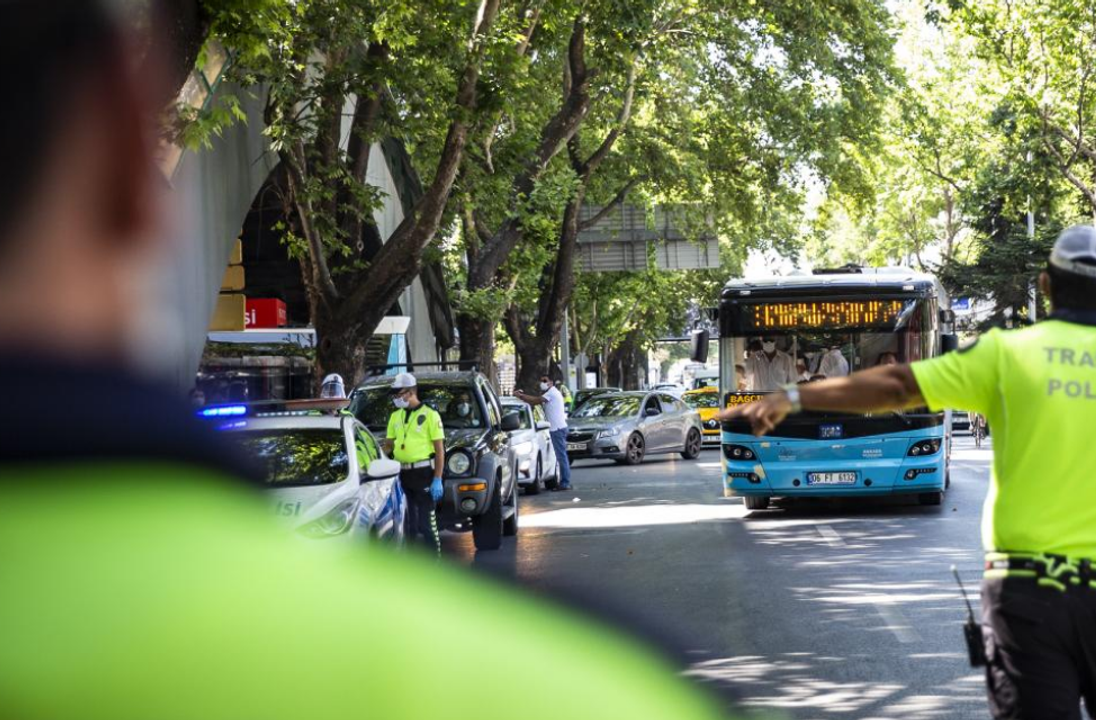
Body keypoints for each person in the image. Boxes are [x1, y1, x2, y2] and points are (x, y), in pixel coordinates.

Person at [0, 4, 732, 717]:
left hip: (416, 478)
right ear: (130, 165)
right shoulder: (574, 684)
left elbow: (438, 443)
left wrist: (435, 463)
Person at [722, 225, 1096, 720]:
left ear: (1046, 284)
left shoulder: (1006, 354)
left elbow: (897, 385)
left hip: (1026, 596)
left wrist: (795, 395)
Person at [384, 372, 446, 556]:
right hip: (402, 474)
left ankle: (434, 560)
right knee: (408, 523)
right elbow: (389, 446)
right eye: (394, 394)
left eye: (399, 393)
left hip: (424, 474)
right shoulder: (395, 416)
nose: (396, 397)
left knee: (427, 523)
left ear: (411, 392)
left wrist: (438, 478)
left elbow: (440, 450)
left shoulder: (430, 415)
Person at [515, 375, 571, 491]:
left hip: (557, 429)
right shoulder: (550, 393)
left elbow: (536, 400)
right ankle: (564, 482)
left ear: (551, 382)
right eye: (541, 381)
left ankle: (565, 483)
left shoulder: (551, 393)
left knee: (561, 457)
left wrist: (521, 396)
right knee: (561, 456)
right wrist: (522, 397)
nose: (542, 383)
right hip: (557, 428)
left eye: (545, 381)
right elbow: (536, 401)